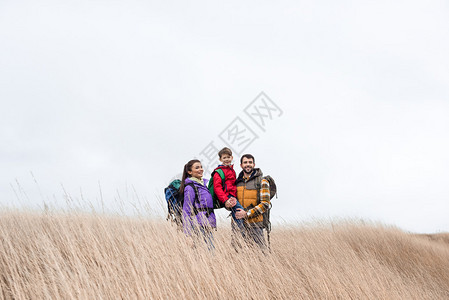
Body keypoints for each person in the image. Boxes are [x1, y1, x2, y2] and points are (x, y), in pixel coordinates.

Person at [234, 154, 271, 251]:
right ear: (241, 165)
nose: (248, 164)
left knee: (261, 255)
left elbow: (265, 204)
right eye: (245, 162)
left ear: (254, 164)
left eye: (250, 162)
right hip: (239, 225)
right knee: (239, 256)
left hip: (255, 225)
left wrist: (246, 214)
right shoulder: (237, 182)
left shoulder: (262, 181)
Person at [180, 159, 216, 249]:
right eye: (197, 168)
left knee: (209, 254)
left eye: (201, 167)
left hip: (207, 225)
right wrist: (188, 235)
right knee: (206, 254)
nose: (201, 169)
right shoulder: (190, 187)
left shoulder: (203, 185)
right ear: (190, 172)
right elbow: (186, 210)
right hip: (198, 226)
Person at [212, 147, 245, 230]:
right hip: (227, 196)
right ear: (220, 159)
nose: (227, 159)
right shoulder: (218, 172)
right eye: (224, 157)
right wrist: (225, 200)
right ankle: (239, 232)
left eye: (228, 157)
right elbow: (217, 188)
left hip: (233, 196)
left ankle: (237, 232)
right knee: (239, 210)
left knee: (236, 212)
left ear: (232, 157)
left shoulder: (232, 171)